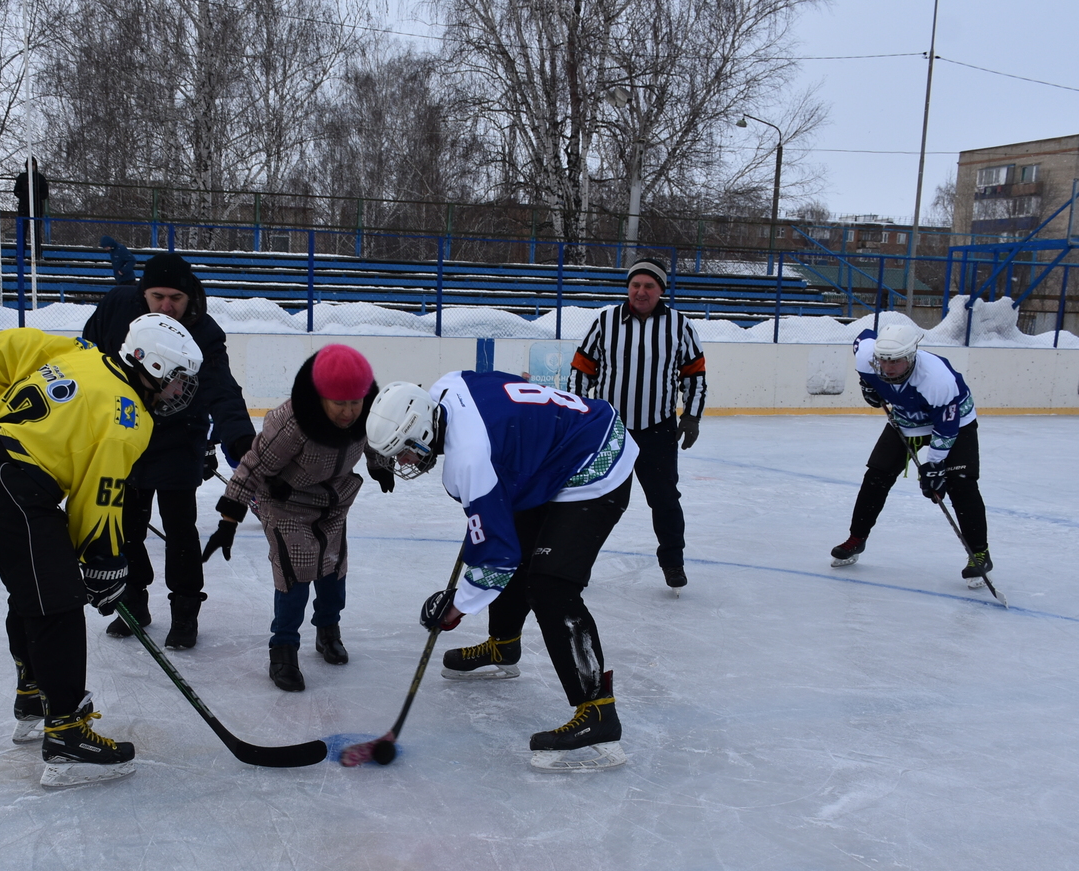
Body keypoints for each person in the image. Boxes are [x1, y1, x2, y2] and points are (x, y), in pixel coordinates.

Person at [0, 316, 204, 786]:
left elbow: (11, 343)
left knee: (36, 588)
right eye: (176, 381)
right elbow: (99, 497)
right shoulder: (127, 415)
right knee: (57, 601)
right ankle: (66, 733)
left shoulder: (85, 352)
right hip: (9, 484)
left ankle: (34, 691)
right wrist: (105, 562)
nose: (178, 393)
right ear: (150, 366)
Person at [367, 372, 639, 771]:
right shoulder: (447, 386)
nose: (403, 462)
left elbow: (498, 558)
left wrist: (457, 605)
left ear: (424, 430)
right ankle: (504, 644)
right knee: (514, 536)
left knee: (550, 586)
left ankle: (597, 711)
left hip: (594, 462)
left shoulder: (469, 459)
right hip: (559, 448)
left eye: (404, 451)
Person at [82, 251, 256, 650]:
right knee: (127, 528)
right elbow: (85, 356)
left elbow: (223, 391)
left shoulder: (205, 332)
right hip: (124, 435)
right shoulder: (116, 308)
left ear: (189, 296)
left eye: (175, 298)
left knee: (180, 531)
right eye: (157, 296)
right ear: (142, 292)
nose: (166, 306)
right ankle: (134, 601)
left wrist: (242, 441)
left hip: (180, 438)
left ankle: (185, 612)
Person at [203, 344, 385, 691]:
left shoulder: (367, 413)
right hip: (287, 505)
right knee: (295, 578)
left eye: (354, 403)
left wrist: (378, 466)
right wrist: (229, 517)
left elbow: (374, 437)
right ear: (320, 397)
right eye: (339, 404)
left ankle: (328, 630)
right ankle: (283, 649)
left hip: (334, 502)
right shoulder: (293, 423)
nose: (348, 413)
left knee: (333, 572)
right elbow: (253, 464)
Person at [567, 258, 707, 589]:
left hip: (658, 431)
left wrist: (691, 415)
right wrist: (579, 413)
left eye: (649, 286)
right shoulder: (606, 321)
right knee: (597, 501)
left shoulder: (680, 325)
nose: (640, 292)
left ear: (661, 290)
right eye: (635, 285)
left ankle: (673, 562)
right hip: (611, 432)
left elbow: (694, 374)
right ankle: (575, 565)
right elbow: (581, 369)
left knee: (665, 501)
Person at [830, 324, 994, 584]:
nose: (887, 367)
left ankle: (979, 552)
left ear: (912, 356)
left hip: (955, 423)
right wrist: (866, 384)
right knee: (876, 475)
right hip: (907, 420)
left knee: (960, 484)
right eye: (883, 360)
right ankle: (856, 538)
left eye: (895, 361)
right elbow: (862, 336)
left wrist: (935, 466)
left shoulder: (937, 379)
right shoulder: (867, 357)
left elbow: (946, 426)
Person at [12, 159, 49, 252]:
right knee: (22, 232)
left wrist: (35, 196)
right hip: (24, 208)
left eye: (33, 164)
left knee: (36, 232)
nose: (31, 166)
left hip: (36, 208)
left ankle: (37, 253)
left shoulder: (40, 178)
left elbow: (45, 194)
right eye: (29, 164)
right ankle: (21, 253)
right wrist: (25, 196)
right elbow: (16, 191)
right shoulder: (22, 177)